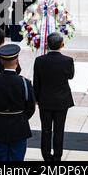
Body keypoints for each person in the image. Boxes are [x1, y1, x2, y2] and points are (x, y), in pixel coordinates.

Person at [0, 44, 35, 161]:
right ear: (17, 61)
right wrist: (20, 117)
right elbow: (30, 108)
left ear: (1, 61)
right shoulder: (25, 82)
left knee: (0, 158)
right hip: (19, 126)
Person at [33, 32, 74, 161]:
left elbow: (36, 82)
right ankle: (57, 157)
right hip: (62, 101)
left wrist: (35, 99)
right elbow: (70, 76)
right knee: (59, 130)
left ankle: (46, 155)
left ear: (47, 44)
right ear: (62, 44)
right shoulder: (67, 61)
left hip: (44, 100)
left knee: (45, 130)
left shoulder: (39, 61)